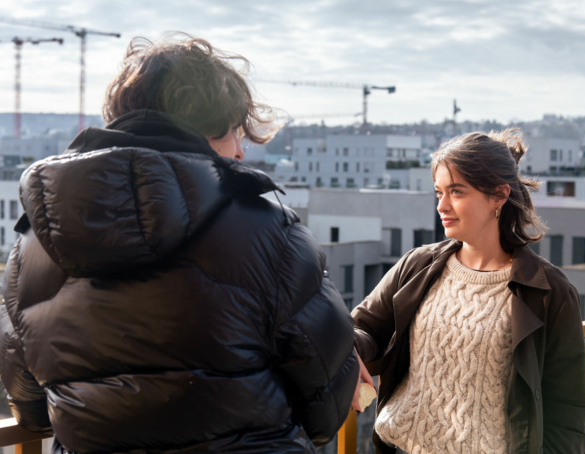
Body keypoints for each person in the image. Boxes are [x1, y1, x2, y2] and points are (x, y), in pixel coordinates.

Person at [0, 34, 359, 453]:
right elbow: (325, 403)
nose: (240, 152)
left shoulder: (34, 244)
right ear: (206, 129)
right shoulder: (268, 229)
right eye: (234, 133)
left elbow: (30, 405)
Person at [352, 129, 585, 454]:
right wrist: (349, 351)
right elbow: (363, 327)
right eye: (438, 192)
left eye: (456, 192)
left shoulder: (549, 291)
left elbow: (570, 411)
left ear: (498, 195)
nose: (442, 205)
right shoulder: (418, 265)